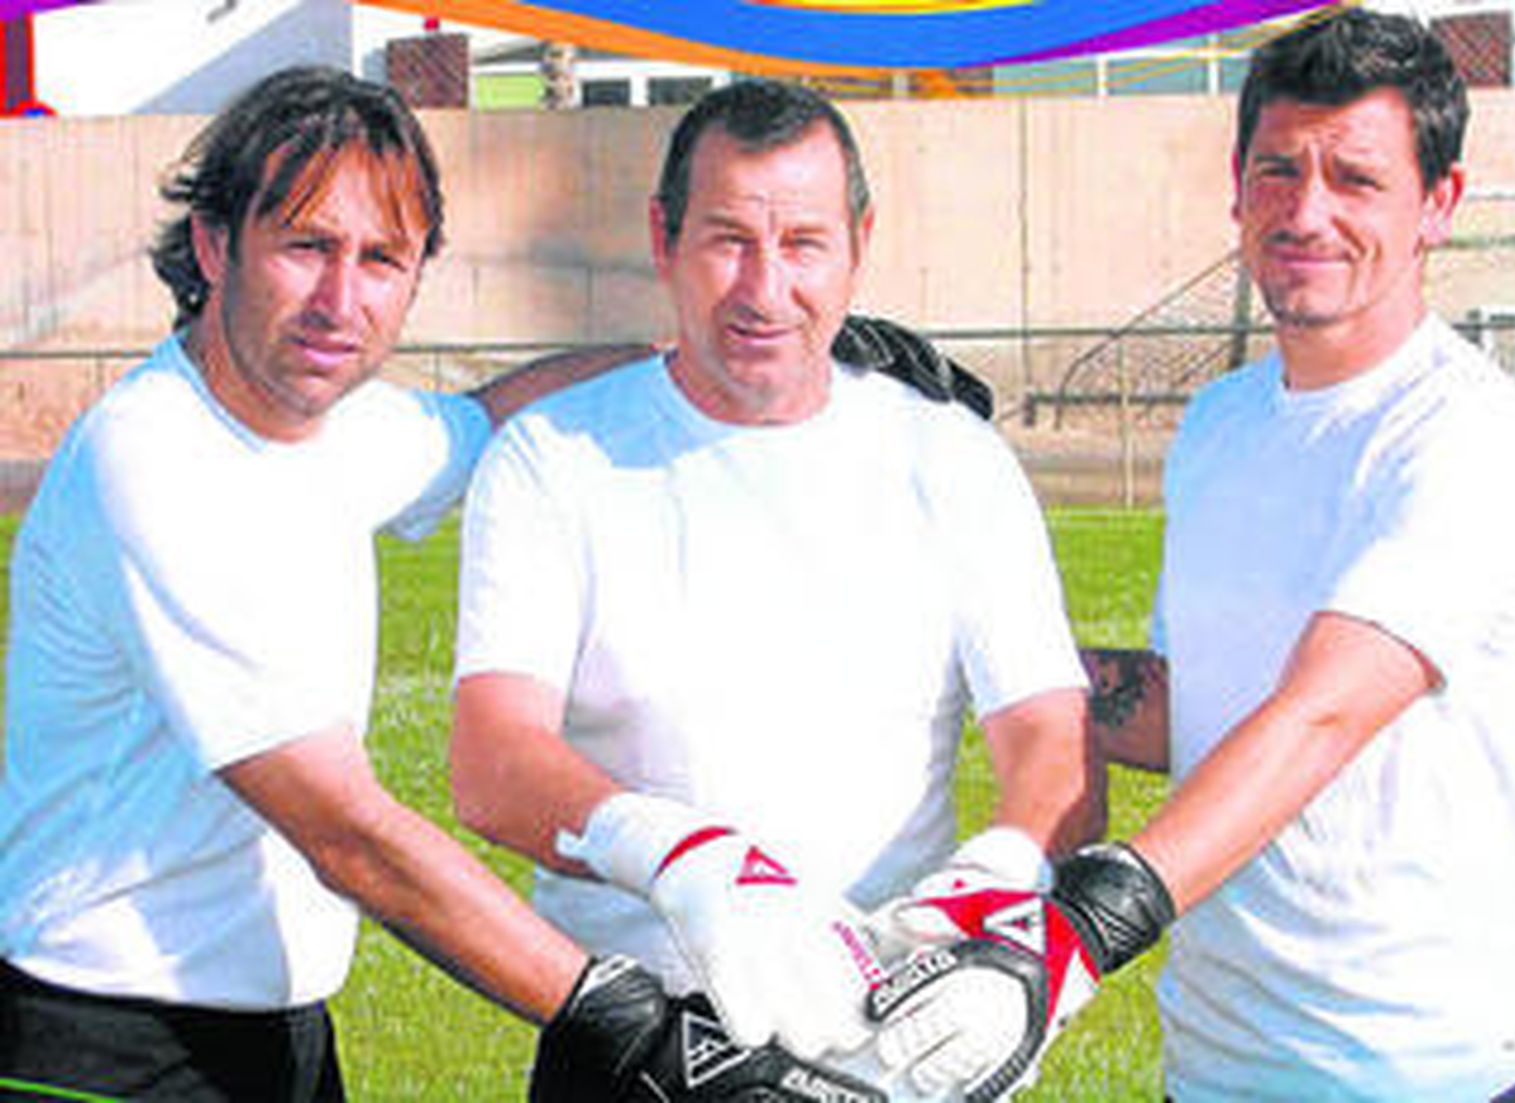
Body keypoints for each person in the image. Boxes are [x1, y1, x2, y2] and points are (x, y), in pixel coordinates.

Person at [0, 65, 895, 1103]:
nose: (342, 298)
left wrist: (728, 355)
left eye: (383, 258)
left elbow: (495, 411)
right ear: (212, 245)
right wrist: (629, 1019)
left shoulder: (332, 426)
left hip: (274, 1035)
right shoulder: (156, 460)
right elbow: (346, 829)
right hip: (102, 1041)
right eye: (306, 245)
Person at [905, 8, 1515, 1100]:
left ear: (1437, 206)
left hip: (1427, 1068)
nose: (1305, 211)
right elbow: (1192, 709)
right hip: (1219, 1065)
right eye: (1277, 170)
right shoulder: (1220, 424)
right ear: (1236, 185)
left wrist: (1077, 931)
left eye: (1355, 179)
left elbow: (1320, 714)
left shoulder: (1465, 435)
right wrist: (978, 657)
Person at [449, 78, 1099, 1098]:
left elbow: (1052, 744)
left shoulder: (949, 457)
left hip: (888, 1026)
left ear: (857, 243)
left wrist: (1000, 879)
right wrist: (682, 856)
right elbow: (491, 759)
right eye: (726, 240)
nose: (763, 287)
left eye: (802, 242)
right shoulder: (555, 454)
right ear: (663, 239)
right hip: (635, 1034)